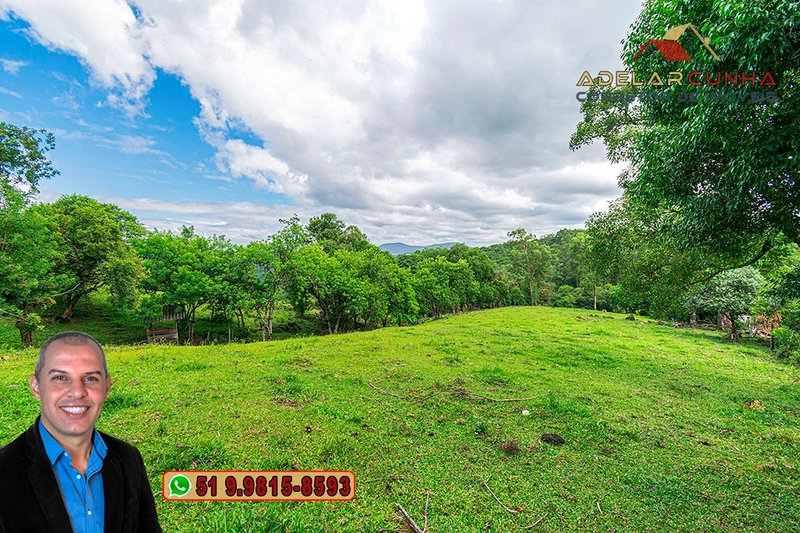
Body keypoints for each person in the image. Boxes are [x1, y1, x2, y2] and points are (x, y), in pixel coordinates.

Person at [0, 331, 162, 533]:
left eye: (91, 378)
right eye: (60, 377)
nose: (77, 392)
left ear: (106, 387)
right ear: (36, 387)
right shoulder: (4, 471)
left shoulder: (129, 459)